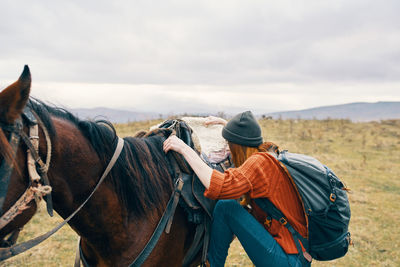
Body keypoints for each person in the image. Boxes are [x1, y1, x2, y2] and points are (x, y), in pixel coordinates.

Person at [163, 111, 310, 267]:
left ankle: (212, 264)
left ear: (238, 146)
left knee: (226, 207)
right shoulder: (266, 154)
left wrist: (185, 149)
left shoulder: (259, 163)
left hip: (288, 260)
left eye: (229, 145)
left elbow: (220, 187)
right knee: (227, 206)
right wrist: (228, 127)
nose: (227, 150)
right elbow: (246, 142)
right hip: (294, 255)